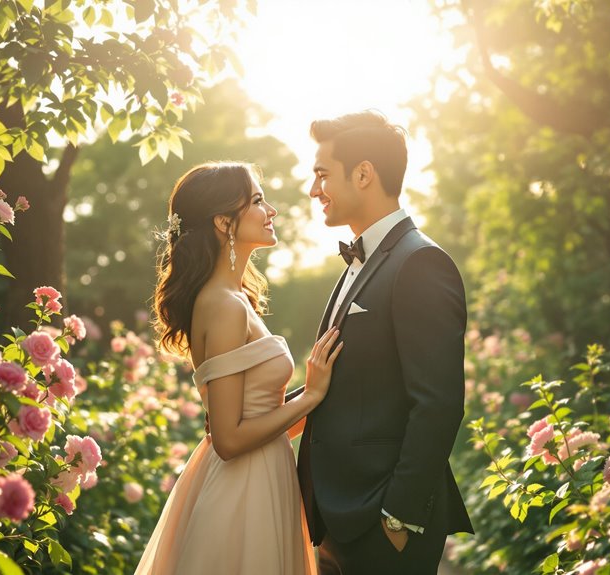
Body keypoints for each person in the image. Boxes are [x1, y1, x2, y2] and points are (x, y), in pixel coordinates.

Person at [135, 162, 341, 575]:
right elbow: (228, 439)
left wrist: (318, 398)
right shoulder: (224, 305)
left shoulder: (235, 298)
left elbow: (259, 422)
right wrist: (312, 395)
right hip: (244, 488)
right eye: (259, 201)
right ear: (224, 221)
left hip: (264, 473)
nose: (272, 211)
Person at [295, 111, 473, 574]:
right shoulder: (360, 260)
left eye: (321, 174)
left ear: (364, 173)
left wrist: (399, 518)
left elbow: (438, 402)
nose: (314, 190)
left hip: (382, 526)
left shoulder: (421, 263)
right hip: (335, 520)